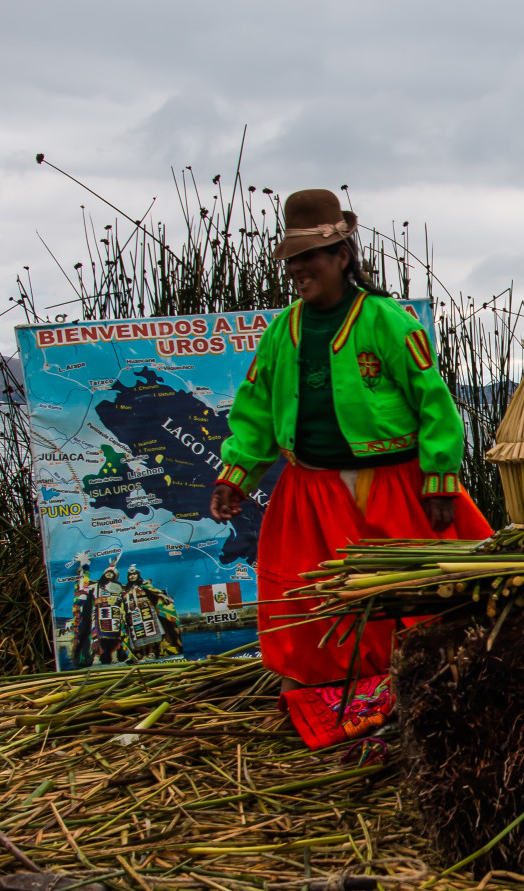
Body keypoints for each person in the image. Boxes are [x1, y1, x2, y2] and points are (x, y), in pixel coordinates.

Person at [209, 188, 493, 689]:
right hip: (309, 490)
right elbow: (254, 411)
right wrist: (236, 476)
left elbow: (434, 402)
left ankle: (427, 683)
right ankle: (335, 689)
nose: (298, 268)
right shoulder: (281, 332)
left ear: (341, 256)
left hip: (393, 485)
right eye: (291, 259)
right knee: (312, 597)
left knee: (419, 589)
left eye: (309, 256)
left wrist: (441, 479)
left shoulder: (385, 321)